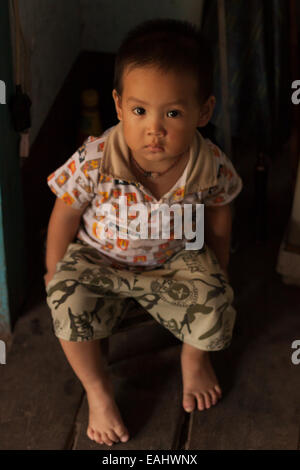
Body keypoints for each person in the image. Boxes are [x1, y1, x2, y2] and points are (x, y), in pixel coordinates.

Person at [44, 18, 242, 447]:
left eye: (173, 112)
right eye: (140, 111)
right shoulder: (96, 157)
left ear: (204, 112)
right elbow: (64, 213)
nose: (155, 128)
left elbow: (222, 207)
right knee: (65, 297)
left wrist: (217, 262)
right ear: (118, 106)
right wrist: (52, 268)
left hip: (175, 262)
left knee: (217, 299)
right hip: (99, 260)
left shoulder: (209, 164)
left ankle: (193, 361)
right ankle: (98, 392)